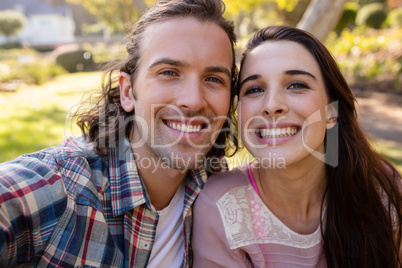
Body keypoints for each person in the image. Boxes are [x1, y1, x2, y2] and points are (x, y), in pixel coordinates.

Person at [0, 0, 239, 267]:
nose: (194, 100)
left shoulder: (217, 188)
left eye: (214, 79)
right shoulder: (62, 189)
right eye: (169, 72)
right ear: (127, 92)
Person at [193, 25, 402, 267]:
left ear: (332, 111)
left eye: (296, 85)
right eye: (255, 89)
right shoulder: (222, 208)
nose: (272, 105)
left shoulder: (382, 190)